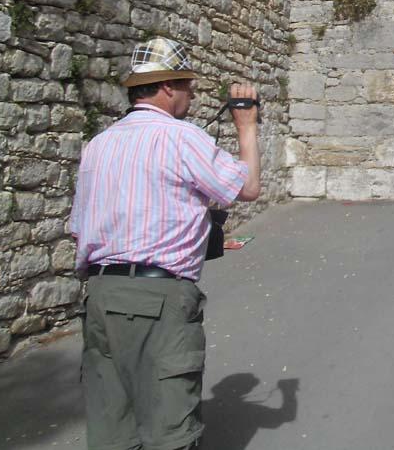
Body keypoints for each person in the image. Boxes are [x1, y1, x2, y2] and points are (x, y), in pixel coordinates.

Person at [70, 37, 261, 450]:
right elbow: (246, 188)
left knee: (111, 430)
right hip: (158, 297)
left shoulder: (98, 145)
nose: (192, 95)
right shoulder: (181, 137)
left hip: (99, 295)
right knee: (168, 430)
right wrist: (246, 125)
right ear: (168, 87)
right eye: (188, 86)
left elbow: (79, 228)